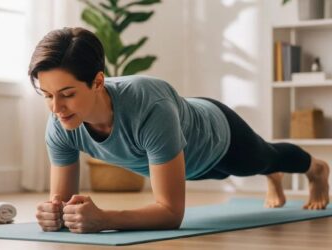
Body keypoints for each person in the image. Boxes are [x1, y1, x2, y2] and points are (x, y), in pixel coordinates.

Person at [29, 27, 330, 234]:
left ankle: (316, 169)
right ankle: (272, 175)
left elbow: (171, 213)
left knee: (268, 157)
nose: (56, 108)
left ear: (97, 82)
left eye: (67, 94)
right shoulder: (60, 124)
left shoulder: (149, 105)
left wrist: (104, 218)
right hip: (185, 159)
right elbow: (62, 202)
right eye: (47, 95)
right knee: (266, 161)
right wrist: (54, 214)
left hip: (219, 138)